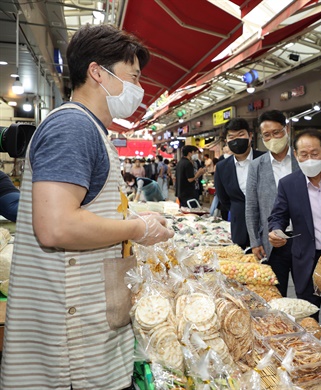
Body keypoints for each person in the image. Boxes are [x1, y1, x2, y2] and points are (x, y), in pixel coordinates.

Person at [0, 24, 174, 389]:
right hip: (72, 346)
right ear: (97, 72)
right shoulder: (72, 127)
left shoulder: (91, 129)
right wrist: (136, 228)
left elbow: (86, 208)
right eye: (133, 77)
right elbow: (56, 226)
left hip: (89, 324)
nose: (138, 90)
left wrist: (132, 217)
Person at [267, 129, 321, 340]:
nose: (309, 159)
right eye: (304, 154)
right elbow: (278, 215)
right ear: (295, 155)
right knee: (307, 317)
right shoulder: (289, 183)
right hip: (306, 257)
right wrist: (275, 231)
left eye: (315, 153)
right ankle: (312, 358)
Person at [246, 110, 299, 296]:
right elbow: (251, 206)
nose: (272, 138)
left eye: (277, 132)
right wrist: (255, 241)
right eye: (267, 135)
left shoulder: (302, 159)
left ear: (287, 129)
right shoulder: (257, 166)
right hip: (273, 242)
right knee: (275, 294)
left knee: (307, 293)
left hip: (302, 239)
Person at [214, 118, 264, 248]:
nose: (236, 140)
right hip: (239, 228)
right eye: (231, 137)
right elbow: (223, 199)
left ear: (250, 136)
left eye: (241, 135)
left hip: (267, 229)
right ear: (226, 141)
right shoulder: (221, 167)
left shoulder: (265, 160)